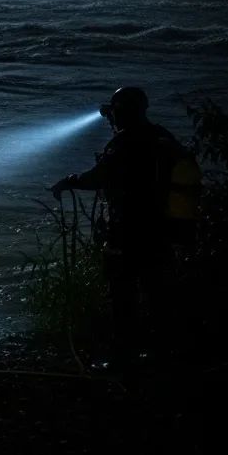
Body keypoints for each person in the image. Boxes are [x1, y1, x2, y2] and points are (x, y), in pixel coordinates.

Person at [51, 86, 185, 370]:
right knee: (157, 292)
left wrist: (69, 181)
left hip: (128, 230)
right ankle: (165, 353)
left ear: (122, 111)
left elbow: (98, 178)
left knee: (123, 294)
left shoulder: (124, 143)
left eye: (115, 112)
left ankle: (125, 357)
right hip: (161, 229)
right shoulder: (162, 137)